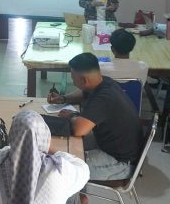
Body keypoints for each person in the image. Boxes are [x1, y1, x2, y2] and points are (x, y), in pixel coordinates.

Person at [48, 53, 143, 181]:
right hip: (111, 143)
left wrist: (73, 115)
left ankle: (78, 193)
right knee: (63, 144)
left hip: (121, 163)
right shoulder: (105, 82)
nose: (72, 81)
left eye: (73, 78)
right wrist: (63, 98)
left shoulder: (104, 98)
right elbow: (84, 93)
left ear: (84, 80)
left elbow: (79, 129)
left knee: (62, 169)